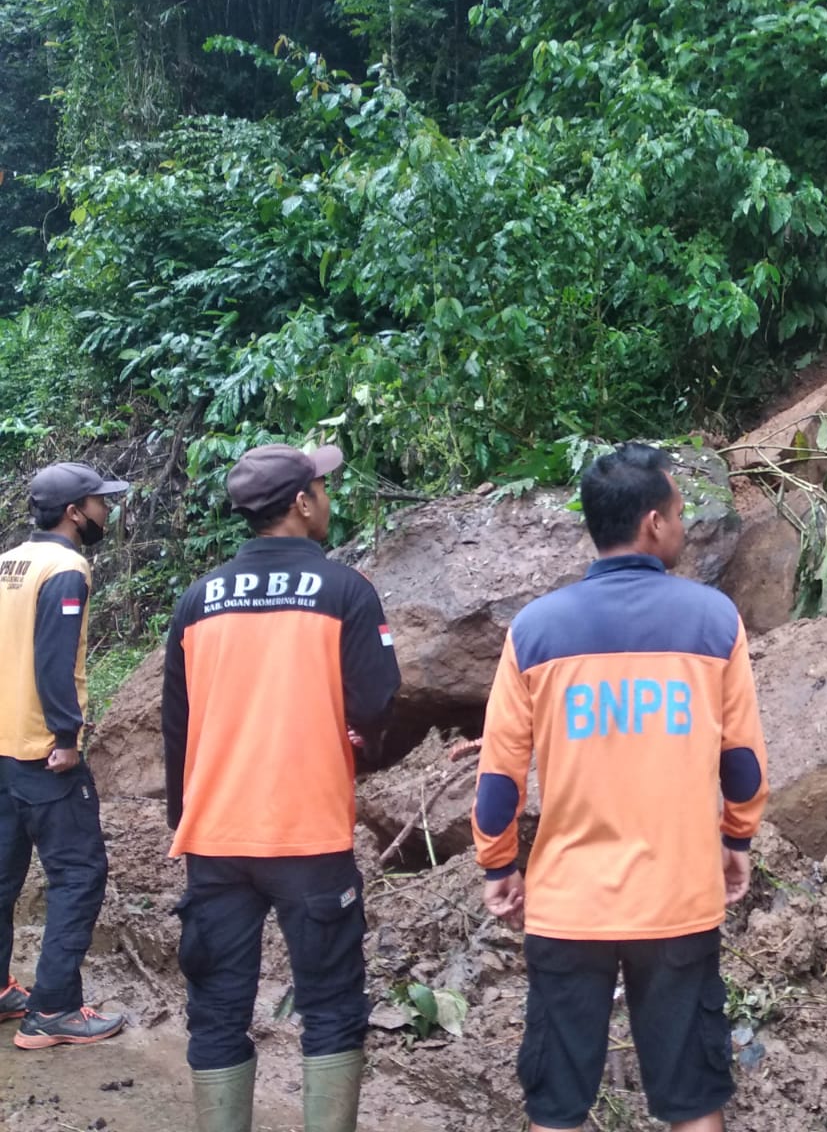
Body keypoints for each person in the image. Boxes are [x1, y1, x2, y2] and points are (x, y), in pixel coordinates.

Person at [473, 443, 769, 1132]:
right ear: (652, 525)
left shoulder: (536, 630)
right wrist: (737, 838)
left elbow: (498, 775)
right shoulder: (713, 621)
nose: (683, 522)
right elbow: (743, 762)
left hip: (568, 904)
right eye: (677, 510)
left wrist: (498, 864)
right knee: (694, 1101)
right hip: (677, 898)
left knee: (557, 1104)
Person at [161, 443, 400, 1132]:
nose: (327, 498)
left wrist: (188, 821)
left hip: (215, 841)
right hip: (308, 838)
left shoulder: (197, 601)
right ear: (300, 504)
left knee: (216, 1011)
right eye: (321, 488)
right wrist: (358, 741)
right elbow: (378, 700)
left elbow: (176, 730)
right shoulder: (344, 589)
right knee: (329, 1008)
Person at [0, 462, 129, 1049]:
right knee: (78, 874)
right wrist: (67, 739)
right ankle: (53, 1010)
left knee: (3, 878)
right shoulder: (67, 568)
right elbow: (54, 660)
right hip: (40, 754)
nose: (107, 511)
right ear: (75, 512)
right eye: (101, 502)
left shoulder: (8, 562)